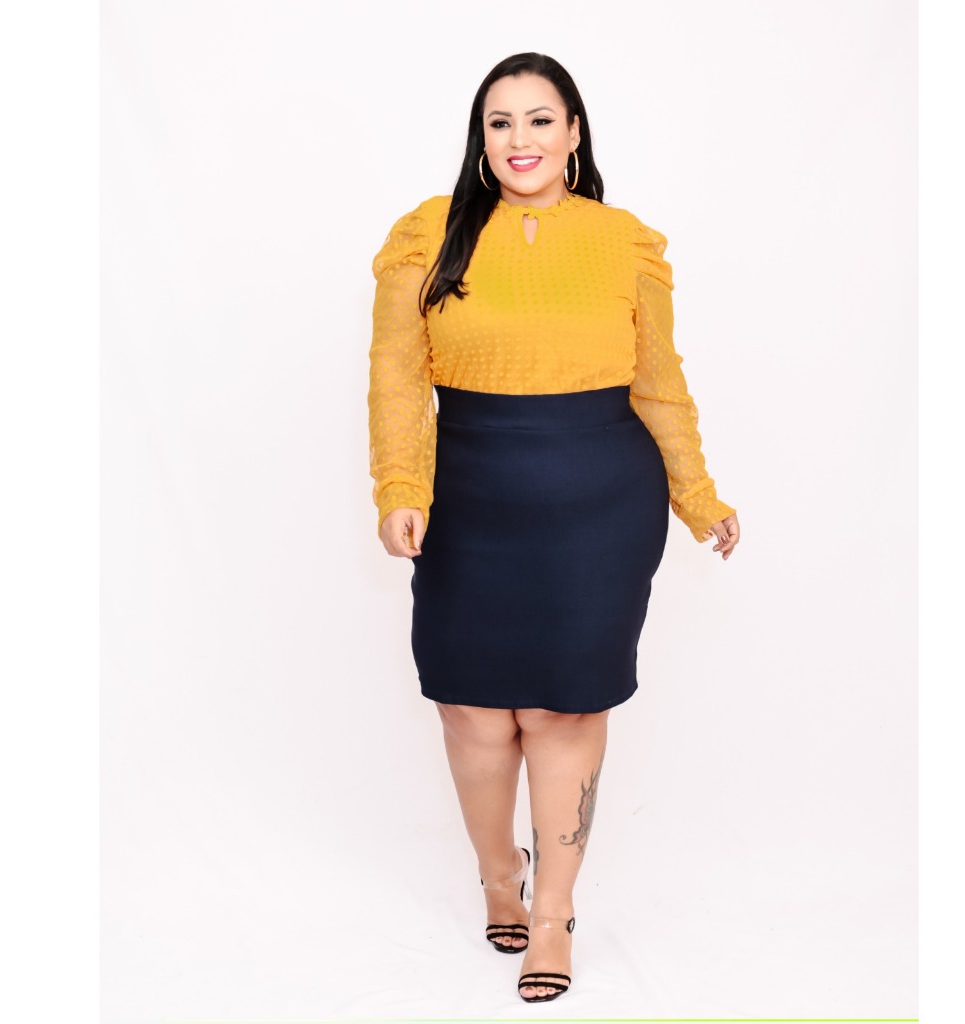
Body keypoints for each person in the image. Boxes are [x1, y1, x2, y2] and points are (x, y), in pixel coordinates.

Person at [367, 52, 740, 1004]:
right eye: (500, 123)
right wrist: (400, 485)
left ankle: (553, 916)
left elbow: (659, 383)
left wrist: (698, 497)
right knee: (472, 711)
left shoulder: (622, 242)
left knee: (563, 710)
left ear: (574, 132)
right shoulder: (428, 235)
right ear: (480, 138)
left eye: (540, 120)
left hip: (598, 502)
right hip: (471, 494)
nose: (520, 139)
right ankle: (501, 876)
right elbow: (398, 376)